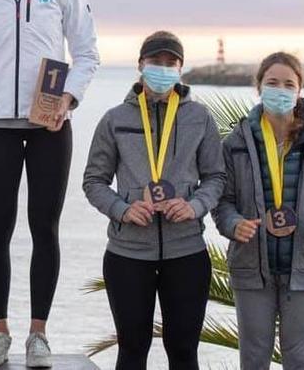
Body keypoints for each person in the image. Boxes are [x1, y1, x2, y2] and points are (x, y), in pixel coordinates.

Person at [0, 0, 100, 368]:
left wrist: (68, 98)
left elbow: (87, 53)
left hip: (51, 126)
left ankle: (39, 335)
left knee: (44, 228)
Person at [83, 32, 225, 370]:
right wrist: (123, 209)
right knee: (132, 350)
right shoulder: (115, 119)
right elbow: (93, 181)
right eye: (155, 63)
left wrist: (194, 206)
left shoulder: (200, 118)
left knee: (184, 351)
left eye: (170, 63)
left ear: (180, 69)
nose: (162, 69)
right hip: (127, 255)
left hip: (187, 252)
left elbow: (217, 178)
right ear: (140, 66)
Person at [211, 52, 304, 370]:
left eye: (289, 83)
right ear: (258, 87)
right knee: (254, 357)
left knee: (298, 358)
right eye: (272, 82)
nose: (280, 89)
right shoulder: (237, 142)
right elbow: (222, 200)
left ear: (300, 89)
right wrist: (234, 224)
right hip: (251, 268)